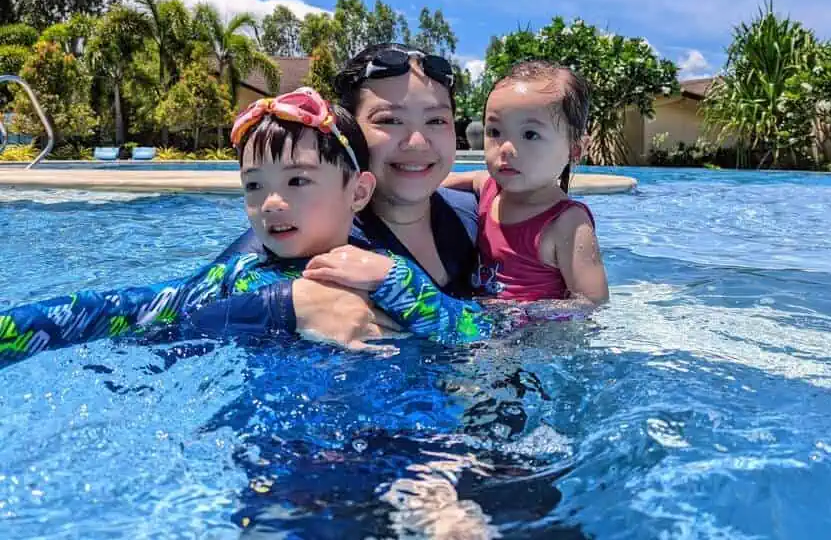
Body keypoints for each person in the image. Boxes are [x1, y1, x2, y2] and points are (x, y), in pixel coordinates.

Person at [0, 87, 491, 367]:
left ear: (358, 193)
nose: (271, 203)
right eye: (254, 185)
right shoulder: (236, 279)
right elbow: (109, 315)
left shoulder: (382, 273)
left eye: (298, 180)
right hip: (283, 457)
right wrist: (278, 309)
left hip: (401, 441)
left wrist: (399, 284)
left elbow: (477, 332)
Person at [209, 44, 492, 344]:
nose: (418, 143)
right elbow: (167, 321)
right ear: (349, 132)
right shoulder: (299, 239)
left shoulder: (476, 215)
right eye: (389, 120)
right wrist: (281, 306)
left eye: (436, 120)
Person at [442, 59, 609, 305]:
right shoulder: (488, 187)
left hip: (534, 335)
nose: (506, 148)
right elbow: (440, 182)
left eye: (530, 134)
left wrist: (521, 312)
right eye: (495, 132)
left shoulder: (568, 224)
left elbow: (592, 302)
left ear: (575, 149)